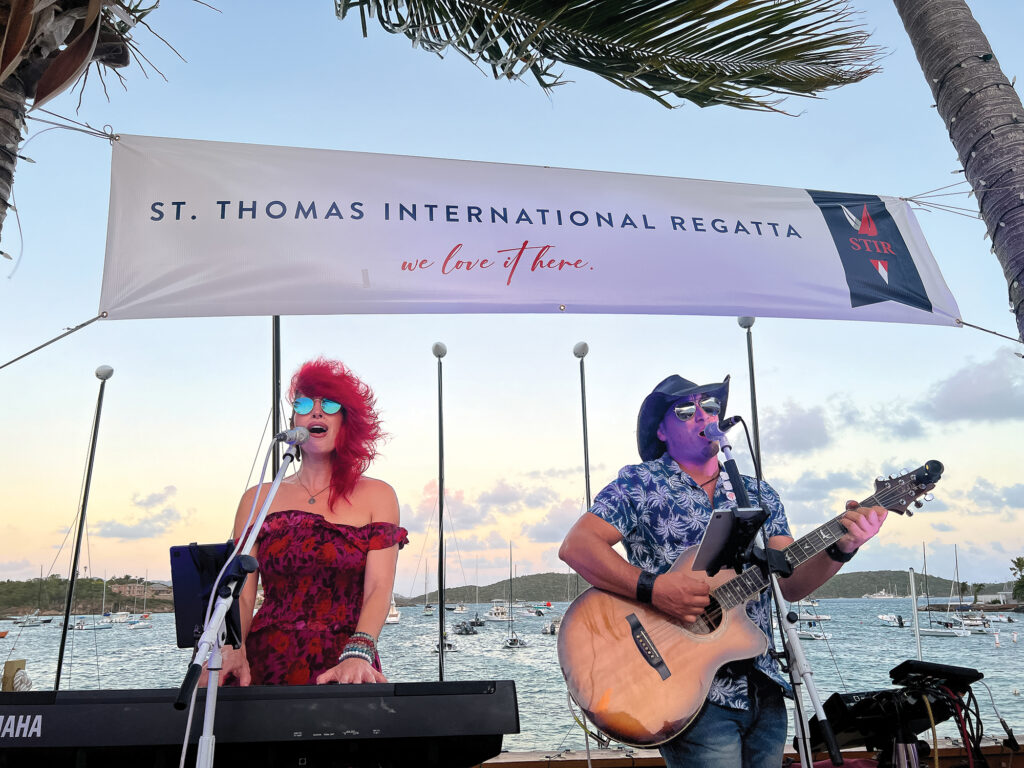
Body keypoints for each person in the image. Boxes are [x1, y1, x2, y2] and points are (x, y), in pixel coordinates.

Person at [559, 373, 887, 768]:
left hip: (761, 684)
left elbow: (791, 583)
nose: (702, 416)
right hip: (686, 689)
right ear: (660, 431)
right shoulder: (639, 483)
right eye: (685, 410)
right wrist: (655, 588)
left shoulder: (759, 493)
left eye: (710, 407)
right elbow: (577, 546)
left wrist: (842, 547)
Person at [216, 357, 407, 686]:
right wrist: (234, 647)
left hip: (346, 662)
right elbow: (244, 595)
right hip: (265, 661)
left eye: (329, 404)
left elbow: (378, 588)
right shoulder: (257, 497)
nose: (315, 412)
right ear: (295, 420)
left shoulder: (378, 495)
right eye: (305, 403)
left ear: (348, 421)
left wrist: (359, 652)